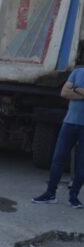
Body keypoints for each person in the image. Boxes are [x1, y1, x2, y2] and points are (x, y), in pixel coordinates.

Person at [32, 67, 84, 209]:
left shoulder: (76, 76)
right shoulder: (78, 72)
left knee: (82, 165)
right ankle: (50, 194)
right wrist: (79, 92)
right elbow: (64, 92)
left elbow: (70, 91)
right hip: (69, 122)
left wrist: (77, 89)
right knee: (58, 159)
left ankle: (73, 197)